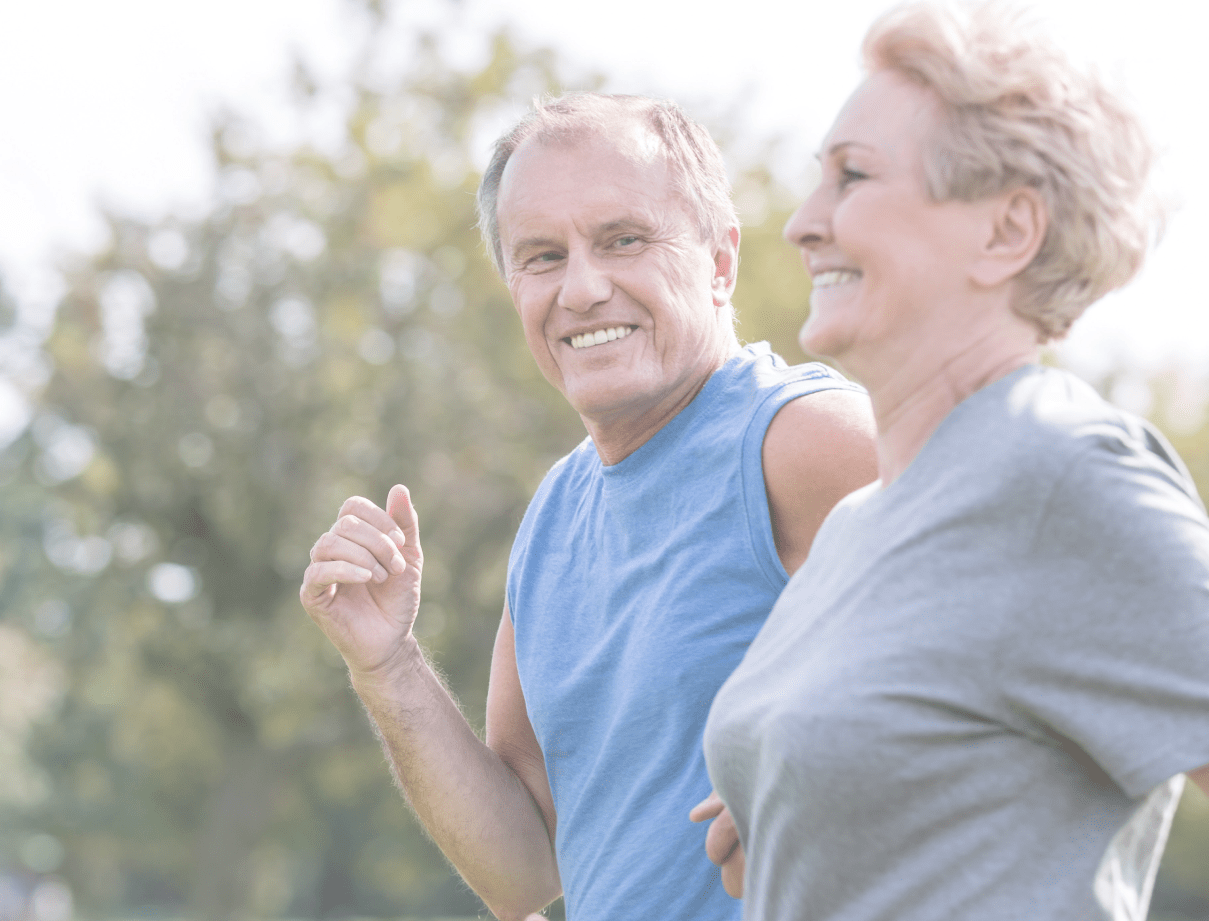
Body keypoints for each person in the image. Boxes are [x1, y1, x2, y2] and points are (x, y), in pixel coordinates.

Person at [700, 4, 1209, 919]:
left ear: (1007, 231)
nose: (800, 222)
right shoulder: (855, 525)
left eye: (852, 177)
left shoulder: (1057, 470)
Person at [299, 93, 877, 921]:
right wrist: (386, 665)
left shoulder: (804, 439)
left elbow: (1028, 650)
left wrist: (823, 770)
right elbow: (525, 868)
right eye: (541, 256)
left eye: (624, 240)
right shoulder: (555, 515)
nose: (583, 287)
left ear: (720, 262)